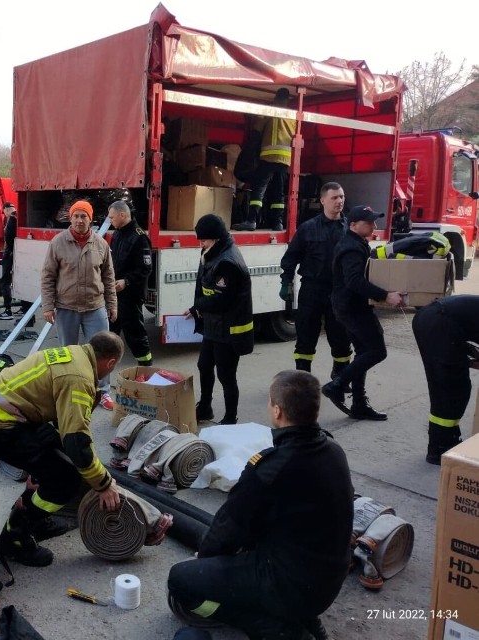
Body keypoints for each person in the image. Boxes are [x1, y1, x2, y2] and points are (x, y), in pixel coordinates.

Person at [167, 370, 353, 640]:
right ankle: (300, 616)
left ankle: (269, 626)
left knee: (180, 581)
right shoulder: (333, 451)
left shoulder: (269, 469)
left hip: (288, 585)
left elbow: (227, 528)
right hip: (327, 580)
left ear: (277, 411)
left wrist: (207, 562)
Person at [0, 331, 124, 567]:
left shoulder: (74, 353)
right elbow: (77, 444)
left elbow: (65, 425)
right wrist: (103, 484)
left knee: (54, 457)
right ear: (110, 362)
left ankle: (37, 518)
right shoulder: (79, 378)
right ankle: (15, 537)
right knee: (66, 479)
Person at [322, 205, 405, 420]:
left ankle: (359, 403)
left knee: (363, 353)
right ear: (353, 225)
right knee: (377, 351)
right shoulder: (351, 247)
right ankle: (337, 384)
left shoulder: (356, 242)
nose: (374, 225)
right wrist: (385, 295)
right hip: (353, 309)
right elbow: (354, 281)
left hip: (349, 307)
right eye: (369, 222)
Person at [41, 200, 118, 410]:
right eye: (76, 216)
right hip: (67, 308)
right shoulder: (58, 243)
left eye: (84, 216)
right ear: (70, 218)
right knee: (67, 353)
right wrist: (48, 306)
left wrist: (112, 305)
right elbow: (48, 276)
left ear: (90, 219)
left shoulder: (101, 244)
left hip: (95, 307)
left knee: (103, 351)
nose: (79, 220)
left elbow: (108, 278)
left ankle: (103, 392)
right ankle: (68, 389)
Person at [279, 182, 352, 378]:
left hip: (339, 292)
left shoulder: (350, 229)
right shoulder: (308, 228)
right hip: (312, 290)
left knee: (341, 337)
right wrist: (286, 282)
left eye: (342, 197)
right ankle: (303, 378)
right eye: (334, 197)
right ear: (322, 201)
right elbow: (290, 258)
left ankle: (340, 377)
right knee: (306, 336)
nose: (339, 201)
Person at [186, 214, 253, 425]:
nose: (200, 243)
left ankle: (230, 418)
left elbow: (221, 301)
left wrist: (199, 306)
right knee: (204, 365)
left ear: (215, 238)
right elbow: (206, 288)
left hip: (229, 330)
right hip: (214, 326)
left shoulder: (227, 262)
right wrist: (195, 308)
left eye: (203, 239)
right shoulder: (212, 252)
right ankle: (205, 407)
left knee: (226, 375)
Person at [412, 295, 479, 464]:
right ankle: (440, 448)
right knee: (454, 389)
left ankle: (443, 442)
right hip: (441, 324)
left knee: (441, 386)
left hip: (429, 318)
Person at [232, 88, 296, 232]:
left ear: (275, 97)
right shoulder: (292, 115)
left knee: (259, 189)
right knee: (278, 191)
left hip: (268, 156)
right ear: (288, 99)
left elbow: (256, 130)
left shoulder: (269, 111)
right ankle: (277, 223)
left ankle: (251, 220)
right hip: (285, 159)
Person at [109, 200, 154, 366]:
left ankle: (145, 367)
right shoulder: (117, 234)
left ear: (123, 215)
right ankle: (106, 365)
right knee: (110, 332)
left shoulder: (139, 237)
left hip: (131, 295)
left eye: (112, 217)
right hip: (115, 294)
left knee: (134, 333)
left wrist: (126, 281)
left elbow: (145, 268)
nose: (110, 220)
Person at [0, 201, 18, 320]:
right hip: (18, 254)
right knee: (20, 281)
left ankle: (7, 310)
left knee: (5, 282)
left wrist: (9, 251)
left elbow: (9, 238)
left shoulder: (11, 219)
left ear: (7, 209)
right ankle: (25, 309)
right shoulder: (19, 218)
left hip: (9, 254)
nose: (4, 214)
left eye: (4, 211)